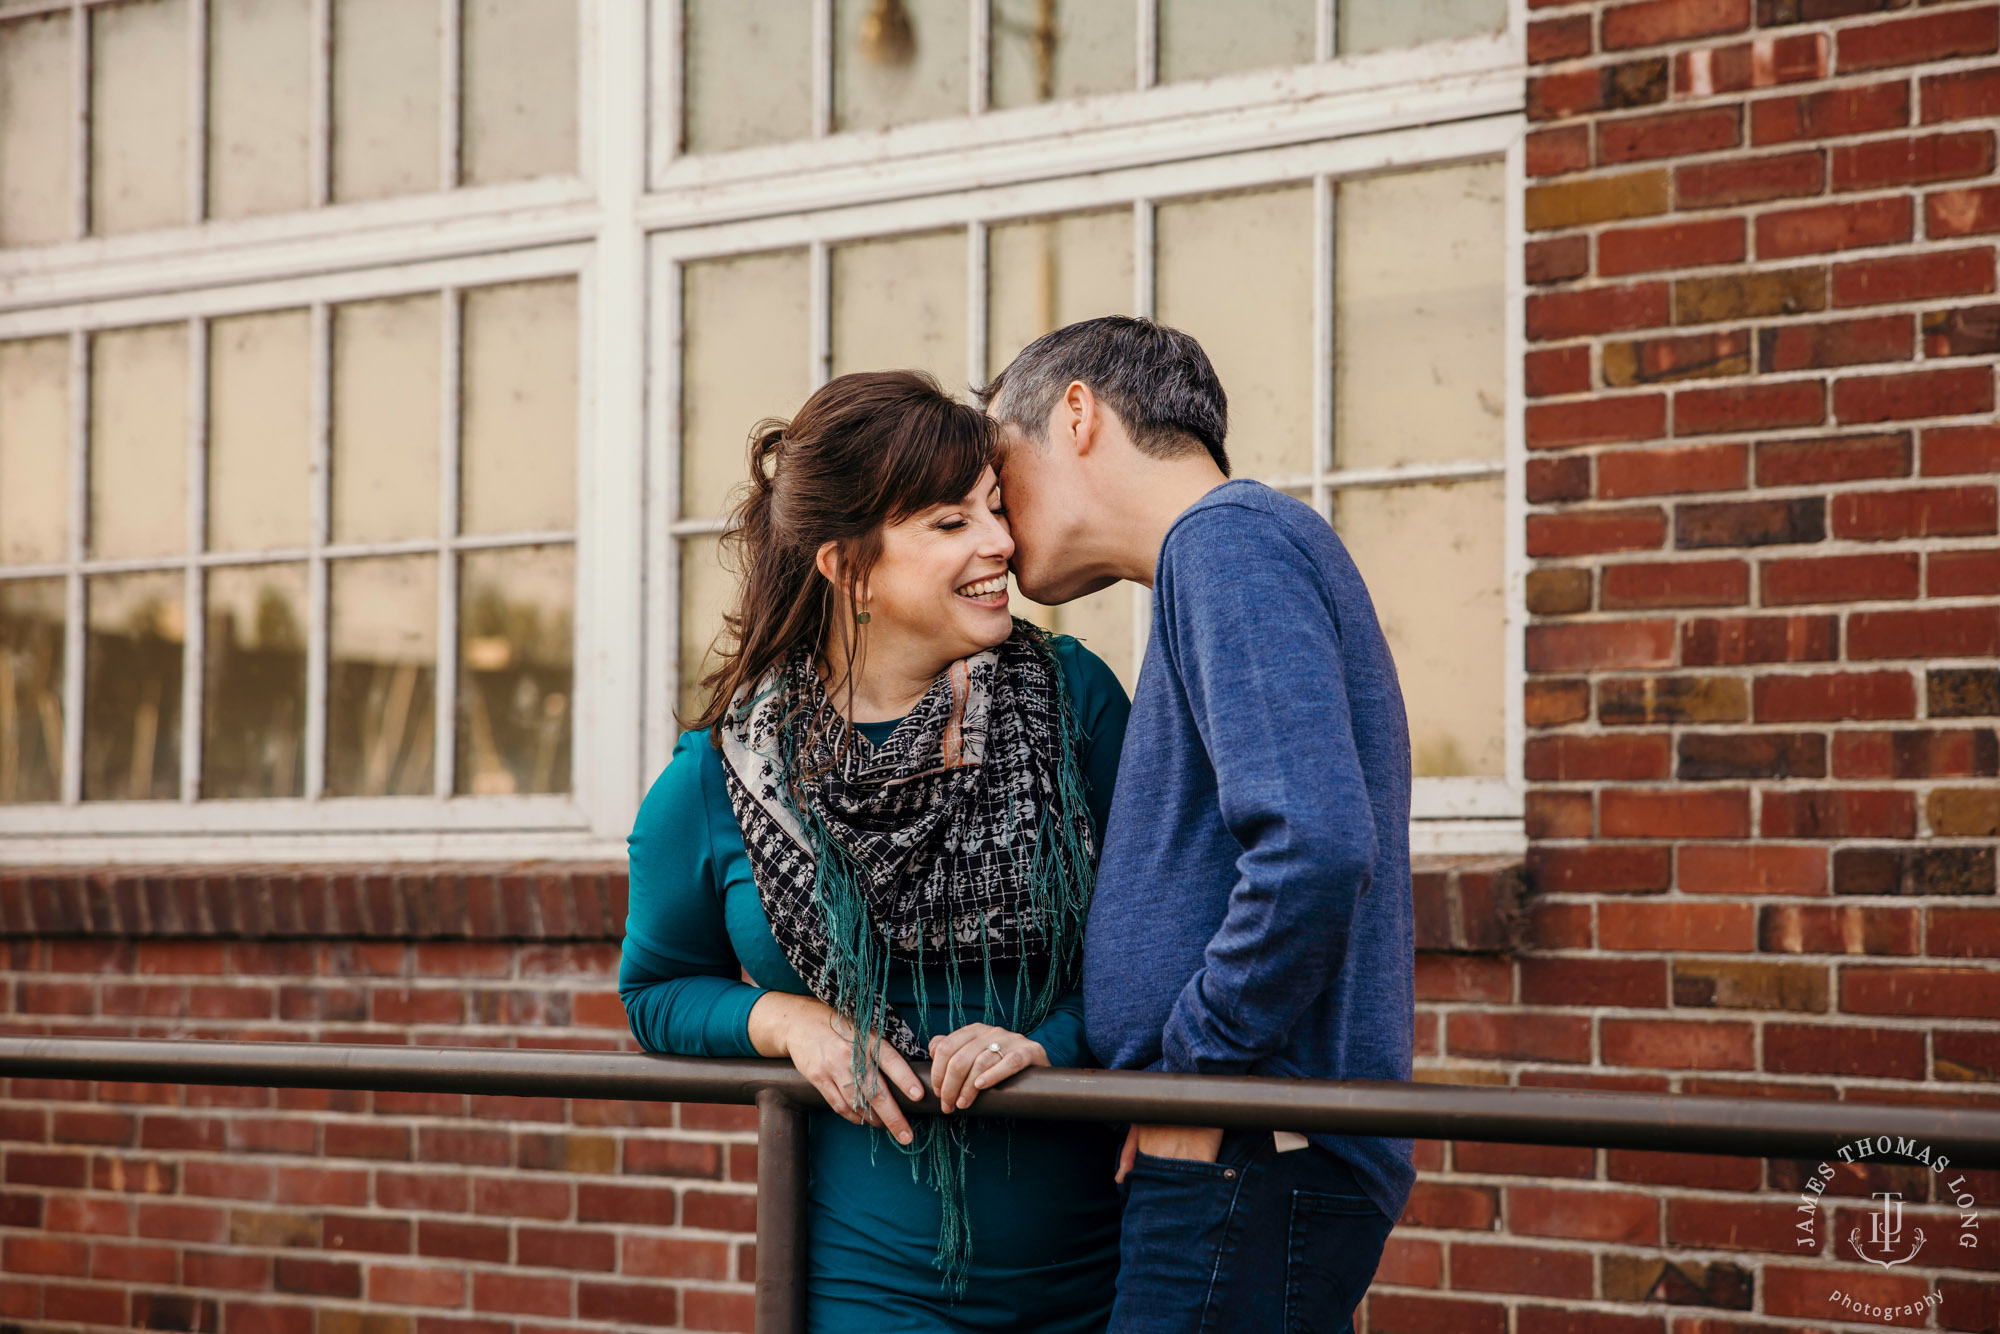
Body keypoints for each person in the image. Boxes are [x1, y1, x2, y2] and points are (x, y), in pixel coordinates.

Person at [619, 370, 1129, 1333]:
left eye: (994, 508)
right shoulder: (723, 775)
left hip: (1098, 1278)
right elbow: (655, 992)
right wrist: (789, 1021)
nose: (1001, 544)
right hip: (868, 1290)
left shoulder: (1076, 705)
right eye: (950, 523)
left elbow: (1156, 938)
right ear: (847, 565)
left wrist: (1048, 1041)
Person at [979, 316, 1414, 1334]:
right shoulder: (1227, 552)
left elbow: (1311, 844)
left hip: (1246, 1147)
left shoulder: (1227, 541)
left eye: (998, 467)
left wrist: (1189, 1076)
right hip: (1245, 1145)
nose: (993, 522)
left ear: (1076, 413)